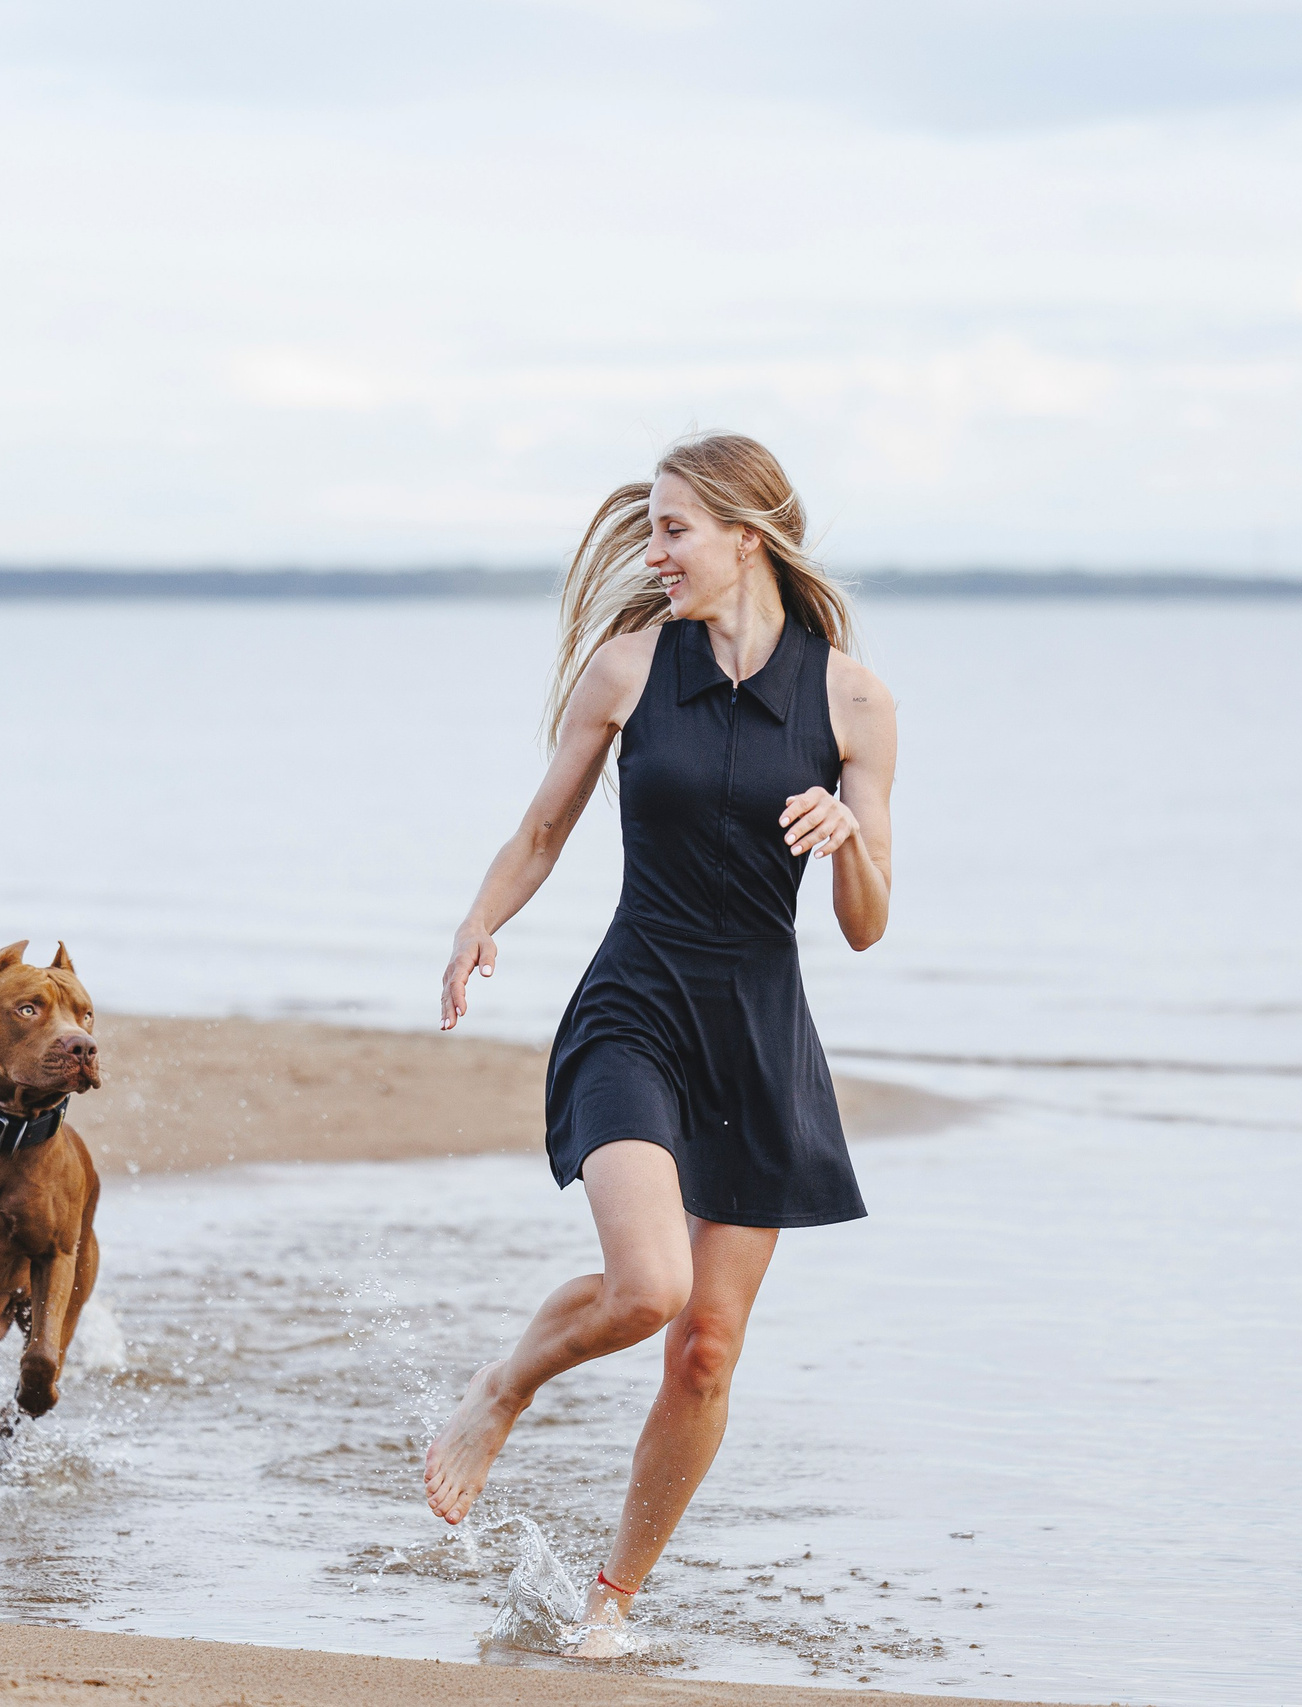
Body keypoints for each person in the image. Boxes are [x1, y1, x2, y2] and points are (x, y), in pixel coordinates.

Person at [424, 433, 896, 1644]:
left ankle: (609, 1605)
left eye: (674, 528)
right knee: (650, 1288)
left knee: (705, 1350)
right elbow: (541, 829)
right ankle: (502, 1388)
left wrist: (848, 831)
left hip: (759, 1034)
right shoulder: (629, 668)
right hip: (635, 1008)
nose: (655, 551)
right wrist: (480, 920)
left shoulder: (852, 698)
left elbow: (866, 926)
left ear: (749, 535)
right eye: (650, 527)